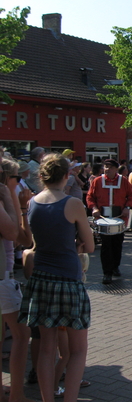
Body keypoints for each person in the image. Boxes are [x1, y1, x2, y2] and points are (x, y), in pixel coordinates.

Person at [18, 153, 94, 402]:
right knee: (77, 350)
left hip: (40, 278)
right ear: (66, 175)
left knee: (46, 350)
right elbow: (90, 246)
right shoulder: (72, 203)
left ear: (42, 176)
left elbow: (32, 240)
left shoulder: (32, 203)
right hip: (67, 280)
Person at [0, 158, 34, 402]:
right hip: (2, 279)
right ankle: (17, 395)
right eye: (17, 179)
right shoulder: (4, 196)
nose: (20, 184)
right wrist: (17, 204)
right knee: (22, 336)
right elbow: (16, 236)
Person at [86, 159, 132, 283]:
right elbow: (90, 196)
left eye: (110, 167)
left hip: (119, 218)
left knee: (117, 244)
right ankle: (106, 273)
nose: (107, 169)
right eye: (105, 166)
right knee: (106, 246)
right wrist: (94, 208)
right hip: (103, 219)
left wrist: (127, 208)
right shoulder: (97, 181)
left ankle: (115, 267)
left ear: (115, 169)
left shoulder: (123, 181)